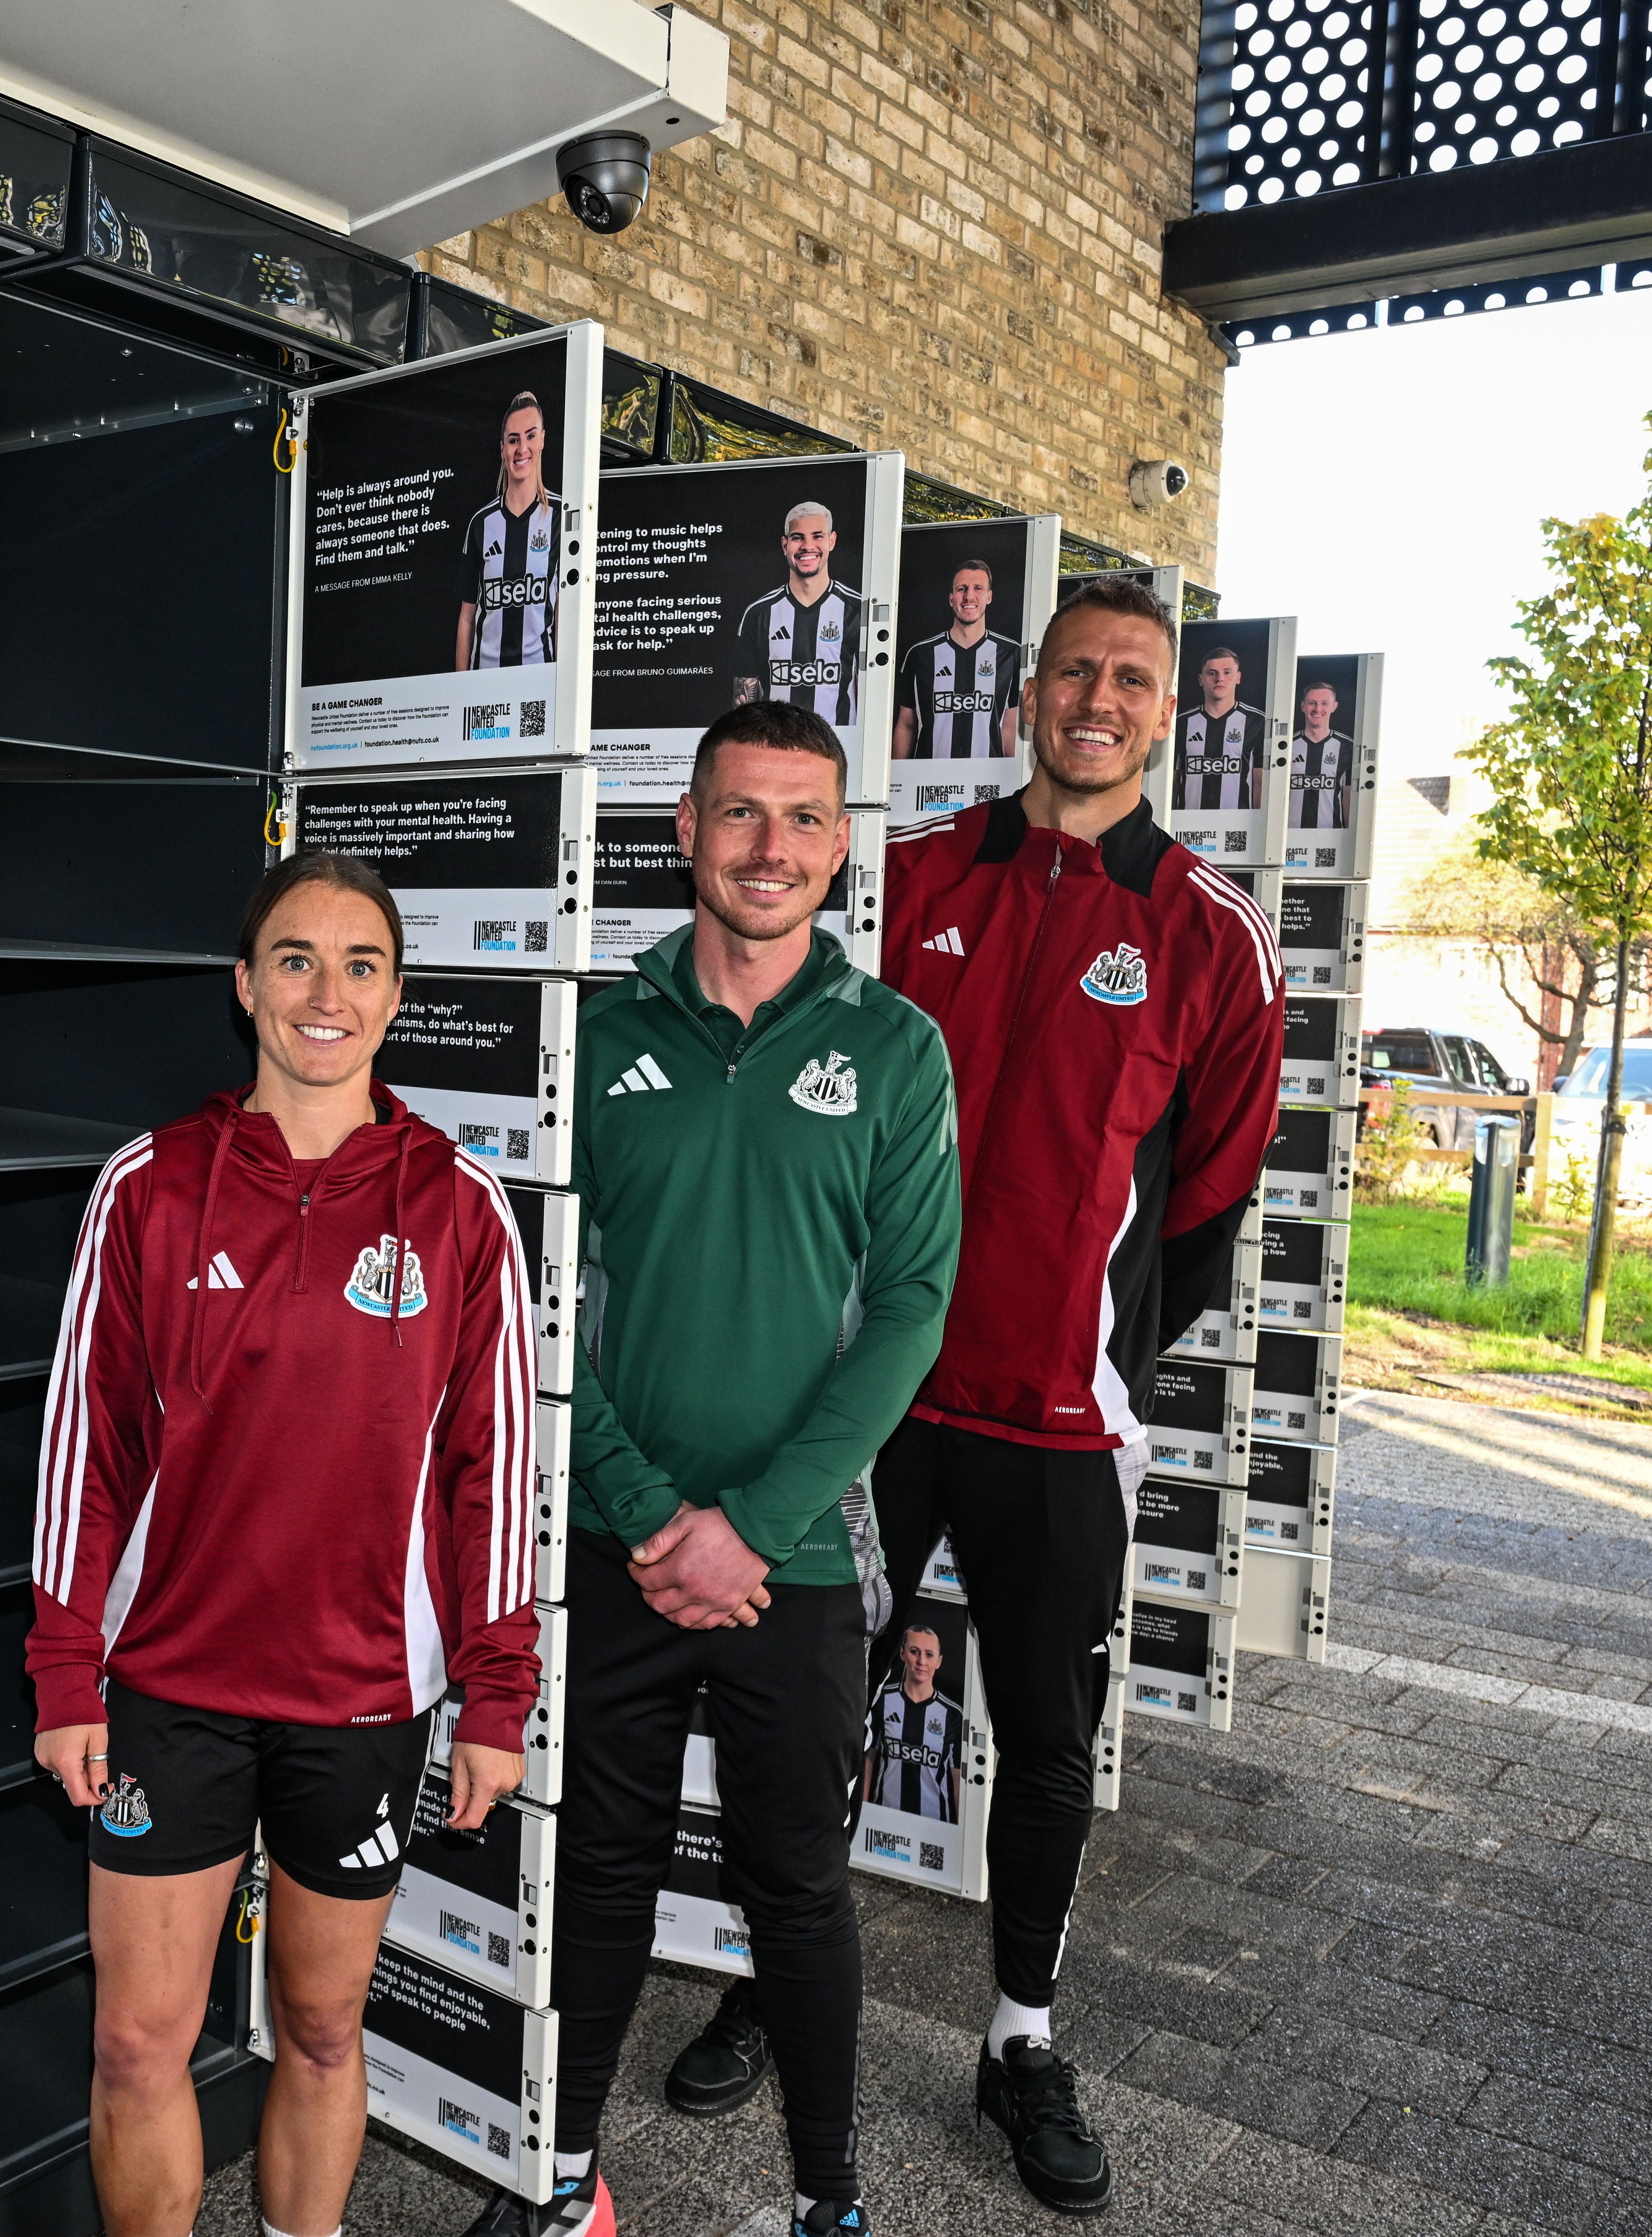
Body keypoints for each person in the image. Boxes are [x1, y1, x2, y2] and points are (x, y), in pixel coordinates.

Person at [670, 577, 1280, 2213]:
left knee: (1052, 1742)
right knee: (809, 1709)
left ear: (1167, 715)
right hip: (865, 1407)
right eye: (1072, 668)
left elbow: (1211, 1204)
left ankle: (1019, 2037)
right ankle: (769, 1979)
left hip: (1060, 1425)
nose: (1097, 697)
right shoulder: (922, 878)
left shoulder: (1209, 934)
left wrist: (1107, 1359)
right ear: (1023, 694)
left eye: (1131, 679)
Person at [467, 701, 960, 2237]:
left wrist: (747, 1525)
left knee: (797, 1887)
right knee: (599, 1874)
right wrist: (647, 1512)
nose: (770, 848)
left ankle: (828, 2200)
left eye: (803, 819)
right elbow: (545, 1304)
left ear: (840, 847)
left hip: (799, 1559)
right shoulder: (596, 1037)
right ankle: (560, 2181)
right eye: (739, 814)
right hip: (621, 1549)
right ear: (682, 831)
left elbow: (909, 1311)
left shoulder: (894, 1049)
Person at [29, 850, 540, 2237]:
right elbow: (88, 1449)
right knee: (140, 2040)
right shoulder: (149, 1187)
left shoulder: (459, 1208)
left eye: (361, 963)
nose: (329, 991)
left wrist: (498, 1689)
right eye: (297, 960)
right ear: (246, 988)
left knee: (319, 2030)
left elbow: (495, 1473)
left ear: (395, 998)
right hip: (172, 1688)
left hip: (362, 1694)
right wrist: (68, 1667)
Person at [457, 392, 561, 672]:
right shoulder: (481, 523)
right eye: (514, 440)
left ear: (542, 440)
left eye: (530, 436)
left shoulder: (561, 517)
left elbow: (564, 613)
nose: (522, 449)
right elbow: (467, 616)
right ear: (503, 448)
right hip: (486, 684)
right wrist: (460, 689)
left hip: (539, 681)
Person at [733, 502, 862, 729]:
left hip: (838, 751)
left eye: (817, 536)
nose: (808, 546)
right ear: (785, 545)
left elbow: (872, 699)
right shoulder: (758, 614)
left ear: (832, 541)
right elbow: (743, 705)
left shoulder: (858, 610)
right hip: (775, 750)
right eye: (798, 538)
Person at [893, 558, 1021, 761]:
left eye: (978, 588)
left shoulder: (1012, 655)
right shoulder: (920, 655)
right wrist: (896, 784)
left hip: (987, 782)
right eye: (962, 589)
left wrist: (1014, 785)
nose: (969, 596)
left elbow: (1010, 727)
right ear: (951, 599)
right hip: (930, 782)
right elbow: (907, 724)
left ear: (989, 597)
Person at [863, 1623, 966, 1826]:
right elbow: (868, 1761)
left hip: (935, 1827)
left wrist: (962, 1831)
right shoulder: (882, 1700)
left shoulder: (952, 1715)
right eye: (914, 1652)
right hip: (886, 1821)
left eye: (929, 1655)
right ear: (902, 1654)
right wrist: (864, 1810)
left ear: (939, 1662)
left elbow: (958, 1781)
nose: (921, 1662)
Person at [1174, 643, 1266, 814]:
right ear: (1201, 679)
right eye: (1212, 673)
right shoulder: (1181, 723)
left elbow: (1259, 783)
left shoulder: (1257, 722)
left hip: (1237, 825)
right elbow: (1173, 781)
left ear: (1238, 678)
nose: (1220, 679)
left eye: (1227, 673)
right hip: (1188, 825)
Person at [1289, 681, 1355, 832]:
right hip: (1292, 837)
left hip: (1330, 838)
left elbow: (1348, 799)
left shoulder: (1347, 748)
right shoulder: (1287, 747)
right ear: (1303, 706)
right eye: (1312, 703)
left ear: (1334, 706)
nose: (1318, 709)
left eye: (1324, 704)